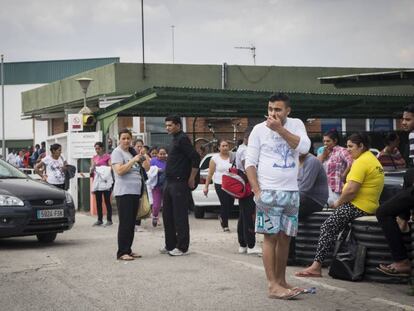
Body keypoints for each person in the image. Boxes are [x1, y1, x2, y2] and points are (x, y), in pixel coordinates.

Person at [245, 93, 311, 300]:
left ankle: (282, 281)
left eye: (278, 109)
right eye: (270, 109)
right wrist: (257, 191)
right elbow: (250, 163)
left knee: (285, 238)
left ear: (287, 111)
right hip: (269, 191)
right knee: (270, 237)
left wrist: (280, 130)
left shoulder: (296, 124)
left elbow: (304, 148)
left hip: (291, 191)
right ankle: (272, 285)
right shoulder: (258, 129)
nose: (273, 113)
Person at [296, 132, 384, 278]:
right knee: (337, 229)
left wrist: (338, 203)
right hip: (370, 206)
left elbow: (351, 190)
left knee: (327, 226)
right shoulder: (372, 160)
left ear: (361, 146)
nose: (348, 150)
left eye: (351, 146)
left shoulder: (361, 162)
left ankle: (316, 266)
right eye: (347, 146)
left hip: (358, 206)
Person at [376, 105, 414, 277]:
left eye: (408, 119)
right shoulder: (411, 137)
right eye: (403, 119)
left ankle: (402, 261)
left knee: (383, 212)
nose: (403, 122)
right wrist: (404, 216)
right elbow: (410, 173)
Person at [161, 115, 200, 256]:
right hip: (169, 182)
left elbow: (195, 158)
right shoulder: (174, 140)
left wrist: (191, 178)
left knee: (180, 216)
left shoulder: (183, 139)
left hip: (179, 183)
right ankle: (170, 244)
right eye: (166, 125)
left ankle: (182, 247)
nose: (167, 128)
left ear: (178, 125)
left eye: (170, 125)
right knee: (167, 215)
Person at [111, 128, 145, 261]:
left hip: (135, 191)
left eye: (128, 138)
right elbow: (119, 171)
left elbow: (145, 168)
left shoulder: (132, 152)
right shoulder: (117, 153)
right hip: (124, 192)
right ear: (119, 139)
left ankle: (128, 249)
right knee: (125, 222)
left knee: (131, 223)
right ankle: (122, 252)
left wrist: (142, 157)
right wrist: (133, 161)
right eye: (123, 138)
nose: (126, 141)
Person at [235, 129, 262, 255]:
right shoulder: (246, 150)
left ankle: (243, 244)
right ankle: (251, 245)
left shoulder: (240, 148)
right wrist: (255, 185)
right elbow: (249, 168)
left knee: (243, 215)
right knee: (249, 215)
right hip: (249, 185)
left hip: (244, 185)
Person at [203, 139, 235, 232]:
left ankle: (221, 216)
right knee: (224, 203)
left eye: (227, 146)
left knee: (231, 204)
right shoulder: (215, 158)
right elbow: (210, 173)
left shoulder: (233, 156)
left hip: (231, 184)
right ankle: (225, 225)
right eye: (223, 146)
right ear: (219, 147)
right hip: (220, 183)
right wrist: (206, 186)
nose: (225, 147)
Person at [317, 130, 353, 207]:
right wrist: (323, 156)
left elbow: (351, 162)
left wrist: (344, 175)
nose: (325, 143)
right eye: (324, 141)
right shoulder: (323, 151)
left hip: (336, 188)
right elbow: (317, 166)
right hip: (324, 187)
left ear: (335, 141)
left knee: (331, 208)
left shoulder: (341, 150)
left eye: (328, 141)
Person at [298, 153, 329, 221]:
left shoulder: (312, 161)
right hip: (301, 198)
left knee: (285, 211)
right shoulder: (294, 160)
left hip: (314, 200)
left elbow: (304, 189)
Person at [91, 142, 113, 227]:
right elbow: (92, 167)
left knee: (107, 201)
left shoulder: (107, 157)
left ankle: (109, 220)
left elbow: (111, 167)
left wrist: (102, 170)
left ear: (102, 148)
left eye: (98, 148)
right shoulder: (94, 157)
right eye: (96, 148)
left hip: (106, 181)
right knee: (98, 202)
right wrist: (92, 169)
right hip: (97, 182)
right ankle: (99, 220)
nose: (97, 150)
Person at [149, 147, 167, 227]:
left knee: (167, 205)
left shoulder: (169, 161)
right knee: (156, 205)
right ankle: (155, 216)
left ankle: (168, 220)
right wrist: (156, 170)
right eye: (160, 153)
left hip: (167, 186)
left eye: (164, 154)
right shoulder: (153, 161)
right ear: (157, 154)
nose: (162, 155)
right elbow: (148, 171)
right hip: (156, 186)